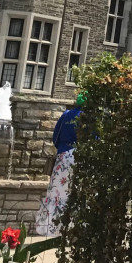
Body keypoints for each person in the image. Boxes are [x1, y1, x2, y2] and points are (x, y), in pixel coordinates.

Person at [35, 92, 84, 236]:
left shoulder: (66, 115)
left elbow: (56, 137)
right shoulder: (89, 117)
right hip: (81, 156)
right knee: (78, 192)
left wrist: (63, 148)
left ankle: (51, 227)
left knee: (57, 193)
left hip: (63, 156)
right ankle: (75, 227)